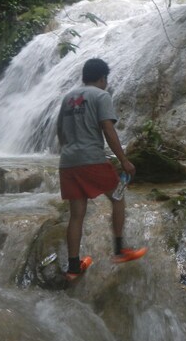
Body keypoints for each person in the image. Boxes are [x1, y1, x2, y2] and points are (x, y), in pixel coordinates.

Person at [56, 58, 146, 281]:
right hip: (91, 159)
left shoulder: (68, 98)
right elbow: (108, 129)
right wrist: (124, 160)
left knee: (76, 215)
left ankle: (73, 268)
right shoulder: (101, 95)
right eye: (106, 79)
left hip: (67, 162)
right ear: (103, 78)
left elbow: (59, 131)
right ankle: (119, 250)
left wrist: (70, 150)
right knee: (118, 197)